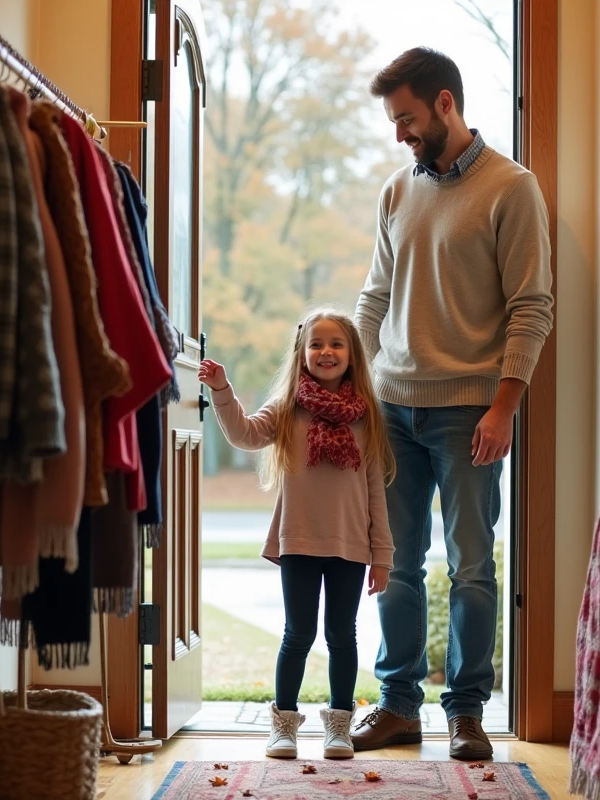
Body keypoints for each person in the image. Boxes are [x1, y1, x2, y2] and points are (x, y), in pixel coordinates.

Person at [351, 47, 555, 761]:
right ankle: (397, 707)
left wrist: (504, 407)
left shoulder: (512, 188)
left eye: (406, 118)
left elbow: (532, 307)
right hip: (392, 409)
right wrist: (358, 388)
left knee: (471, 565)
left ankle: (466, 713)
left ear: (445, 103)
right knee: (395, 563)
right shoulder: (396, 191)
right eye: (393, 121)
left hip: (470, 413)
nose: (399, 133)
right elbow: (373, 299)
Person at [198, 308, 396, 761]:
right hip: (299, 541)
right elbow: (245, 435)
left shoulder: (366, 417)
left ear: (352, 354)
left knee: (342, 636)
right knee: (297, 634)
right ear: (301, 353)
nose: (326, 351)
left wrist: (382, 555)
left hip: (350, 545)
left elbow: (374, 492)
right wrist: (222, 391)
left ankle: (339, 727)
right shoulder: (288, 408)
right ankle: (283, 726)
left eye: (336, 344)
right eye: (316, 344)